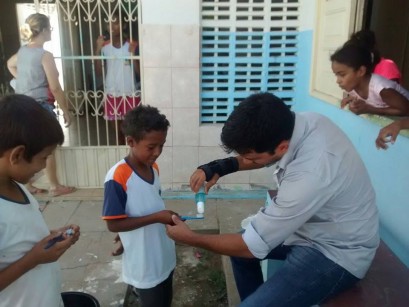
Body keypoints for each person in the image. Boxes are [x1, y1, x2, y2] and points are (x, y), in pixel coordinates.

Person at [166, 93, 379, 307]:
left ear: (282, 147)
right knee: (241, 258)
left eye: (252, 158)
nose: (248, 161)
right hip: (311, 227)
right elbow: (261, 156)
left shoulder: (311, 173)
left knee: (244, 256)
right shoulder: (301, 123)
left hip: (338, 252)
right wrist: (218, 168)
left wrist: (191, 238)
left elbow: (249, 246)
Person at [0, 94, 80, 306]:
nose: (44, 166)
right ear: (17, 155)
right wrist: (34, 258)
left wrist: (52, 236)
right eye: (43, 158)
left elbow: (18, 236)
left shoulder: (17, 186)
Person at [102, 105, 177, 307]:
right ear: (131, 142)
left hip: (162, 251)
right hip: (144, 263)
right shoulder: (117, 176)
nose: (157, 152)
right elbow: (113, 224)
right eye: (151, 147)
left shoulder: (154, 168)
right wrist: (158, 217)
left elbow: (144, 205)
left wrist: (127, 236)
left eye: (161, 145)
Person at [7, 13, 75, 197]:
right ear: (43, 30)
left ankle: (28, 185)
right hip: (40, 107)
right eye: (50, 28)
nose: (51, 32)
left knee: (28, 145)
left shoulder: (23, 51)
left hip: (22, 105)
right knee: (48, 146)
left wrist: (24, 81)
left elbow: (10, 64)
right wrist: (66, 110)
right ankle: (54, 186)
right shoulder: (44, 55)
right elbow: (55, 87)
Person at [94, 11, 141, 145]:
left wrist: (133, 55)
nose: (112, 26)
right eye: (109, 23)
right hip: (112, 93)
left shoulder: (132, 44)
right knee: (118, 135)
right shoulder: (104, 47)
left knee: (131, 133)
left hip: (130, 92)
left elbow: (139, 73)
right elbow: (98, 72)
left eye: (116, 22)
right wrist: (97, 49)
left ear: (124, 24)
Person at [331, 43, 409, 117]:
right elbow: (367, 97)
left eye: (342, 75)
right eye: (336, 75)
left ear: (361, 71)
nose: (338, 81)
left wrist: (370, 109)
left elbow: (405, 110)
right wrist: (351, 99)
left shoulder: (382, 89)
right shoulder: (354, 86)